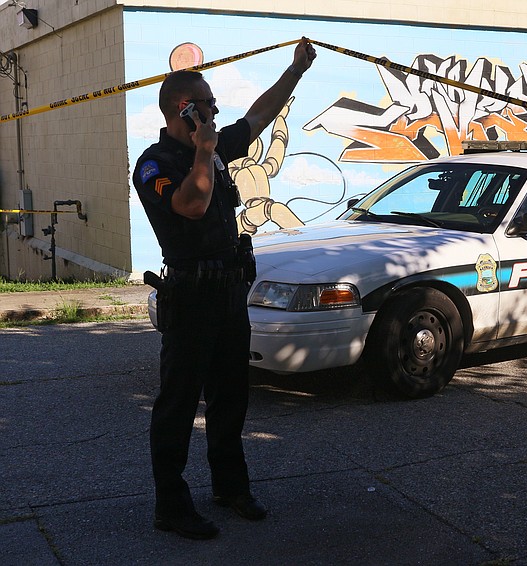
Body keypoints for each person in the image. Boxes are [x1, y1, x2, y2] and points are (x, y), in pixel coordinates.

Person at [133, 37, 316, 540]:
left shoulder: (212, 147)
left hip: (229, 296)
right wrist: (204, 152)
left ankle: (230, 486)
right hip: (190, 300)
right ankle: (171, 505)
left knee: (231, 399)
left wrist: (295, 71)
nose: (215, 111)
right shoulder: (156, 163)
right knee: (177, 405)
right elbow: (190, 206)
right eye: (207, 104)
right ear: (183, 109)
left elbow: (258, 116)